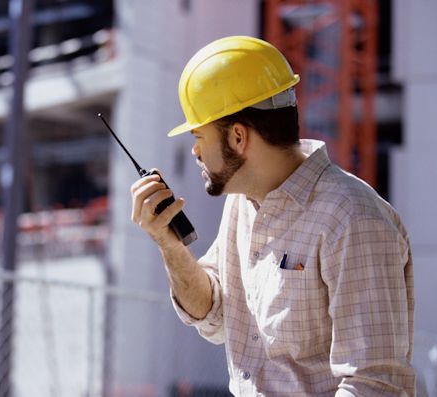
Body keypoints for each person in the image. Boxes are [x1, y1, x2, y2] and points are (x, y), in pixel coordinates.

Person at [130, 36, 415, 396]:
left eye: (200, 135)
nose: (195, 150)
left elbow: (375, 386)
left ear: (237, 137)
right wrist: (169, 245)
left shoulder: (353, 220)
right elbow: (214, 316)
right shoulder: (243, 203)